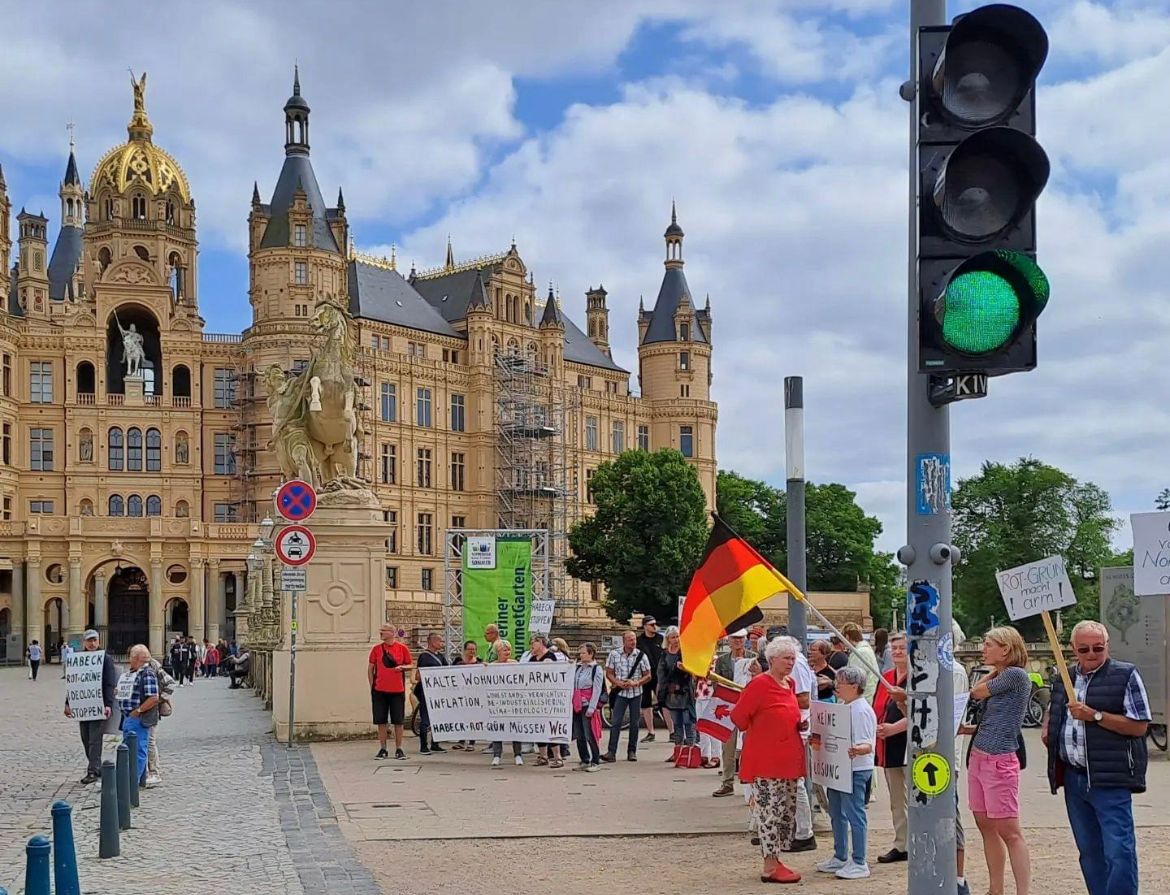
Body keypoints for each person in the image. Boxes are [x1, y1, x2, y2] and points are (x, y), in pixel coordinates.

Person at [1043, 620, 1150, 895]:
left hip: (1110, 778)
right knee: (1089, 850)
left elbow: (1139, 726)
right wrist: (1050, 733)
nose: (1091, 654)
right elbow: (1055, 716)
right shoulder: (1063, 678)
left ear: (1107, 646)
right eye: (1084, 649)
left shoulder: (1125, 675)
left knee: (1118, 849)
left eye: (1098, 648)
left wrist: (1096, 716)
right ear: (1073, 649)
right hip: (1074, 776)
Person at [730, 636, 806, 884]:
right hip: (767, 761)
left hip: (789, 760)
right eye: (786, 658)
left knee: (786, 812)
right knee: (770, 813)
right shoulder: (759, 684)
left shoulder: (790, 683)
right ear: (772, 660)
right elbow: (739, 717)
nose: (790, 663)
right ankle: (769, 865)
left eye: (793, 658)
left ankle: (776, 858)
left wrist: (798, 723)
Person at [964, 626, 1032, 895]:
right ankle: (996, 889)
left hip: (999, 759)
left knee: (1008, 830)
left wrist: (993, 671)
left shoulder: (1015, 676)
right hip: (980, 756)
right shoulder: (1004, 675)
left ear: (1006, 649)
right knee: (985, 825)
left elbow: (976, 692)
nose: (983, 649)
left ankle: (1022, 891)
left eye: (989, 644)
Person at [815, 665, 877, 880]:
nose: (836, 687)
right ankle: (840, 855)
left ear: (854, 686)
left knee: (854, 814)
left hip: (855, 769)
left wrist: (858, 749)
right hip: (841, 768)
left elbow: (867, 743)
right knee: (837, 812)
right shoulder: (846, 707)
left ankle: (859, 860)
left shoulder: (860, 711)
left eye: (840, 684)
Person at [874, 631, 910, 864]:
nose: (896, 652)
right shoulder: (886, 676)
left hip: (909, 743)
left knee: (914, 797)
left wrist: (894, 728)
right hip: (889, 745)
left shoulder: (919, 678)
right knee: (897, 798)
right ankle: (901, 842)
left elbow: (923, 712)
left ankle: (915, 841)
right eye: (893, 648)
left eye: (901, 648)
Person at [64, 630, 118, 784]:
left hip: (98, 704)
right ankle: (96, 766)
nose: (92, 643)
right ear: (84, 642)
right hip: (82, 705)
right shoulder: (78, 659)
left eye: (94, 640)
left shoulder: (105, 659)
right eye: (89, 641)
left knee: (95, 739)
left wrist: (108, 704)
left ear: (99, 641)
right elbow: (73, 683)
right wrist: (68, 703)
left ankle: (92, 770)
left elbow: (109, 683)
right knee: (85, 738)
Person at [778, 636, 817, 852]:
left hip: (799, 726)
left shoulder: (798, 665)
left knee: (796, 780)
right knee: (792, 781)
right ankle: (798, 828)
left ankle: (805, 831)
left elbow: (803, 698)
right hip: (795, 726)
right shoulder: (797, 665)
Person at [713, 629, 756, 797]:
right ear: (729, 641)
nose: (738, 642)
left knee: (749, 745)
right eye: (734, 639)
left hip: (749, 707)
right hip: (729, 707)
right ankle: (727, 781)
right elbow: (717, 682)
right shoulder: (722, 660)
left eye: (741, 639)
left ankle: (751, 783)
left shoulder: (753, 657)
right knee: (727, 746)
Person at [602, 631, 651, 762]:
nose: (633, 642)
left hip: (635, 693)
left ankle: (632, 751)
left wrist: (637, 682)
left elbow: (648, 675)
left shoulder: (641, 655)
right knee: (616, 722)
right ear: (624, 641)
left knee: (635, 723)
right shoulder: (614, 654)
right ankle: (611, 752)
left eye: (634, 639)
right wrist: (617, 683)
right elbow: (609, 672)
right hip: (620, 693)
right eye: (630, 640)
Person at [116, 644, 160, 784]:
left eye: (130, 657)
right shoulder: (134, 673)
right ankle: (136, 779)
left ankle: (130, 783)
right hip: (128, 717)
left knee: (137, 750)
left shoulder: (147, 673)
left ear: (135, 658)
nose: (129, 660)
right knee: (128, 749)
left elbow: (153, 697)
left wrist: (139, 710)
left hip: (138, 718)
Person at [368, 624, 412, 761]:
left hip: (397, 690)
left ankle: (399, 748)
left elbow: (410, 664)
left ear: (392, 633)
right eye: (380, 630)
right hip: (379, 690)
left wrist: (403, 667)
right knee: (381, 721)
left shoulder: (402, 648)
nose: (381, 633)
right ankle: (383, 748)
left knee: (398, 721)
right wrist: (372, 686)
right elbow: (370, 668)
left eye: (384, 631)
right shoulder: (376, 649)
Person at [656, 626, 697, 761]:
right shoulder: (664, 654)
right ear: (668, 639)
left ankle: (690, 750)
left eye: (677, 636)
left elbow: (693, 670)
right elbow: (661, 672)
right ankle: (677, 751)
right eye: (672, 637)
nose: (675, 639)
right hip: (671, 693)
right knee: (677, 723)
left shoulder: (686, 652)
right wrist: (662, 687)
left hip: (685, 692)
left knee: (688, 722)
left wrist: (684, 668)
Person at [524, 635, 562, 767]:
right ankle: (543, 755)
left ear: (540, 643)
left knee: (550, 727)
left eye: (533, 643)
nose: (531, 646)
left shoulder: (551, 657)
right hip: (536, 698)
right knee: (539, 727)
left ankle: (557, 756)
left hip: (548, 698)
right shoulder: (532, 658)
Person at [487, 639, 524, 767]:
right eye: (504, 650)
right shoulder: (492, 665)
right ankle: (497, 755)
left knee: (515, 728)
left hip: (513, 701)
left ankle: (518, 754)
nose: (507, 652)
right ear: (498, 652)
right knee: (497, 728)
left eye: (509, 649)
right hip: (497, 702)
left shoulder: (515, 664)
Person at [144, 654, 178, 787]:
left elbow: (170, 683)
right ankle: (145, 770)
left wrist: (160, 699)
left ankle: (154, 771)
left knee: (150, 741)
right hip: (141, 710)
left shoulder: (153, 665)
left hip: (152, 710)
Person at [414, 632, 449, 755]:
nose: (442, 643)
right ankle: (424, 746)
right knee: (425, 718)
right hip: (426, 692)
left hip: (438, 692)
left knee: (438, 718)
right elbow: (418, 675)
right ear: (433, 642)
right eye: (440, 641)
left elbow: (447, 671)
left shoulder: (440, 656)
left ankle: (435, 743)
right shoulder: (424, 657)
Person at [572, 642, 605, 770]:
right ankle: (584, 759)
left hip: (587, 704)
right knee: (579, 734)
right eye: (580, 653)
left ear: (591, 654)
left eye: (583, 653)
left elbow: (597, 689)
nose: (581, 655)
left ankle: (595, 760)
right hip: (577, 704)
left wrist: (592, 707)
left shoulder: (596, 669)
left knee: (589, 733)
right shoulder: (578, 668)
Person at [637, 616, 669, 742]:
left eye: (655, 624)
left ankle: (671, 731)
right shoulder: (640, 641)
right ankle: (651, 732)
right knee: (645, 703)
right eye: (651, 624)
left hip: (659, 674)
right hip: (644, 674)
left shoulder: (661, 639)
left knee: (664, 702)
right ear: (645, 626)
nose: (654, 626)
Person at [451, 640, 481, 751]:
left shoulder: (479, 663)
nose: (472, 651)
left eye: (474, 649)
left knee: (473, 719)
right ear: (465, 650)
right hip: (460, 695)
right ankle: (461, 740)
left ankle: (472, 742)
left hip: (474, 696)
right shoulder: (458, 662)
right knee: (461, 717)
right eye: (470, 649)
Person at [842, 623, 878, 702]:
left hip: (860, 700)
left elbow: (853, 680)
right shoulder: (866, 650)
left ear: (847, 636)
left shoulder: (859, 653)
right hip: (865, 697)